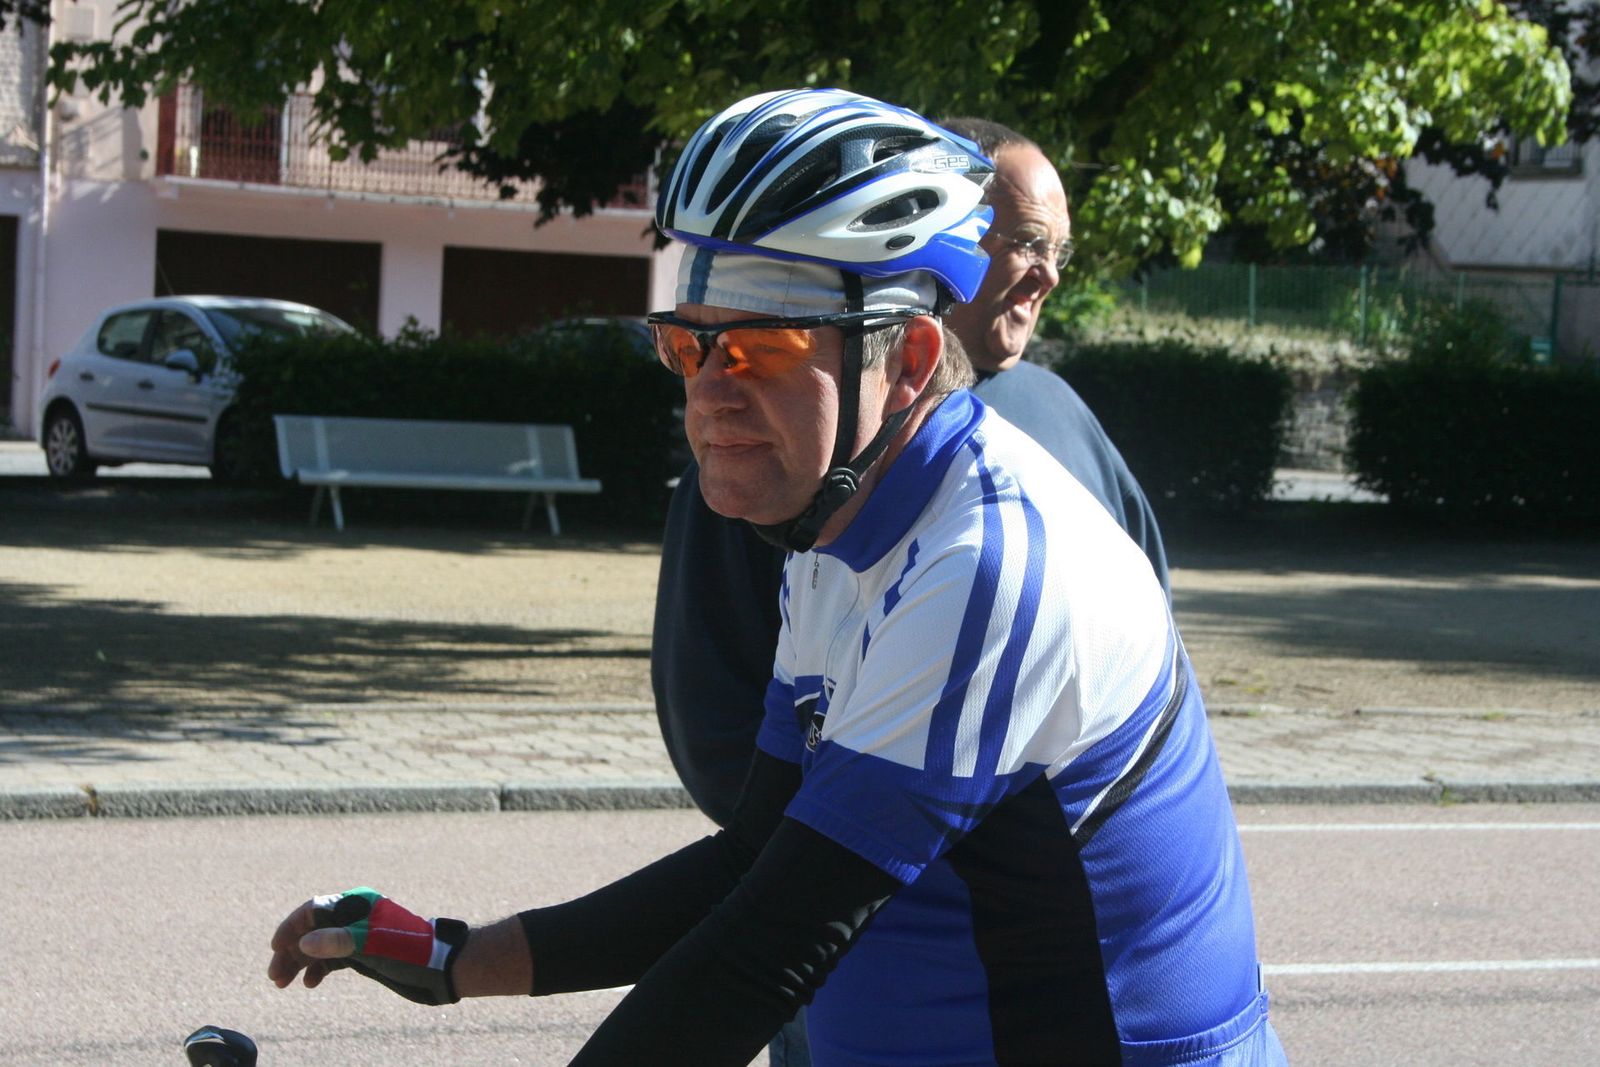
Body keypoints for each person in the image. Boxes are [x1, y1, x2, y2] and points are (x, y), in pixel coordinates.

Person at [269, 88, 1285, 1067]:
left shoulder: (988, 567)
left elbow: (767, 948)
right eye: (690, 344)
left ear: (911, 358)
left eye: (766, 346)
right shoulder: (838, 530)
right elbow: (753, 857)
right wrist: (452, 958)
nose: (711, 392)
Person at [653, 116, 1168, 832]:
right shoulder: (783, 454)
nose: (1048, 272)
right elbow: (718, 719)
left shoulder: (1059, 418)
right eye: (1024, 241)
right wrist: (784, 854)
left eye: (1057, 249)